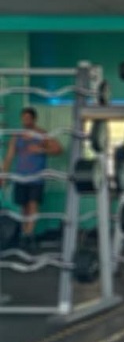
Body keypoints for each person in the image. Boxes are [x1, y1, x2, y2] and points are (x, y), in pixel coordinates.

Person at [0, 107, 62, 251]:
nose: (26, 121)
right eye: (24, 118)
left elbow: (58, 149)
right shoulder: (17, 136)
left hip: (36, 177)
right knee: (24, 207)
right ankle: (24, 234)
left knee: (33, 205)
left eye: (28, 118)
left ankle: (29, 234)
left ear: (34, 119)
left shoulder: (42, 134)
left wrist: (40, 149)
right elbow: (9, 157)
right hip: (20, 177)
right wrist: (3, 175)